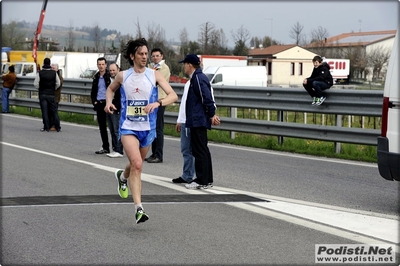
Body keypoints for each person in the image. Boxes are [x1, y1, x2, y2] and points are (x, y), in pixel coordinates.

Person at [104, 38, 177, 224]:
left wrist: (157, 103)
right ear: (132, 56)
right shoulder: (123, 75)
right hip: (128, 126)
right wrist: (109, 103)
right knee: (137, 164)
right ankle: (139, 209)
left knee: (135, 164)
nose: (145, 57)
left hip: (148, 127)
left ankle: (122, 176)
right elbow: (110, 90)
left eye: (146, 54)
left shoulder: (153, 75)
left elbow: (173, 96)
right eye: (141, 54)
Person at [178, 54, 220, 189]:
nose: (184, 66)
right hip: (197, 119)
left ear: (190, 65)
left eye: (185, 64)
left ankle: (202, 180)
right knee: (202, 149)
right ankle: (207, 179)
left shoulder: (198, 78)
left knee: (199, 150)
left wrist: (212, 114)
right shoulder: (198, 77)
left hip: (198, 120)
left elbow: (206, 97)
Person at [145, 48, 171, 163]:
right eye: (153, 56)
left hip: (160, 100)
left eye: (157, 56)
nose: (155, 58)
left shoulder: (164, 68)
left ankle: (159, 155)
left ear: (161, 56)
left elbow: (154, 80)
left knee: (158, 128)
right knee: (152, 127)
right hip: (150, 100)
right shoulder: (150, 67)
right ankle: (153, 153)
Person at [172, 80, 195, 184]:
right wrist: (180, 119)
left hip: (192, 121)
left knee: (191, 150)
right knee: (186, 149)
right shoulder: (188, 83)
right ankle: (187, 174)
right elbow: (184, 102)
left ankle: (189, 175)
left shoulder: (199, 81)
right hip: (185, 120)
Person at [34, 58, 61, 132]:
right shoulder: (54, 73)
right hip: (51, 94)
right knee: (54, 111)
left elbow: (35, 84)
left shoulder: (40, 73)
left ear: (43, 63)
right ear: (49, 64)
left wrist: (40, 88)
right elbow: (58, 83)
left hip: (42, 94)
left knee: (45, 111)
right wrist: (53, 88)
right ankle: (57, 127)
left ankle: (46, 127)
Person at [91, 57, 111, 154]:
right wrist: (94, 101)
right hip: (99, 103)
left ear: (106, 65)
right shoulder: (96, 77)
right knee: (102, 127)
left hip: (108, 103)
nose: (101, 66)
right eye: (99, 64)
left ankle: (117, 148)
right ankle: (105, 147)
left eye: (103, 64)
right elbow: (93, 91)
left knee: (113, 127)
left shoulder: (109, 76)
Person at [106, 63, 124, 158]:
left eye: (114, 70)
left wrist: (116, 107)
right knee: (112, 130)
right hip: (109, 107)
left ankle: (119, 150)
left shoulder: (121, 80)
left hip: (117, 108)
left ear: (118, 69)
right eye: (110, 70)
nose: (112, 72)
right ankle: (114, 148)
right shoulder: (108, 80)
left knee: (117, 130)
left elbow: (121, 96)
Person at [49, 63, 63, 131]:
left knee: (54, 112)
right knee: (50, 112)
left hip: (55, 97)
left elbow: (58, 86)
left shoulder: (59, 77)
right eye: (51, 68)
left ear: (57, 69)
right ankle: (50, 124)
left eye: (53, 68)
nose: (52, 70)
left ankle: (55, 125)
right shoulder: (51, 76)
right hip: (50, 96)